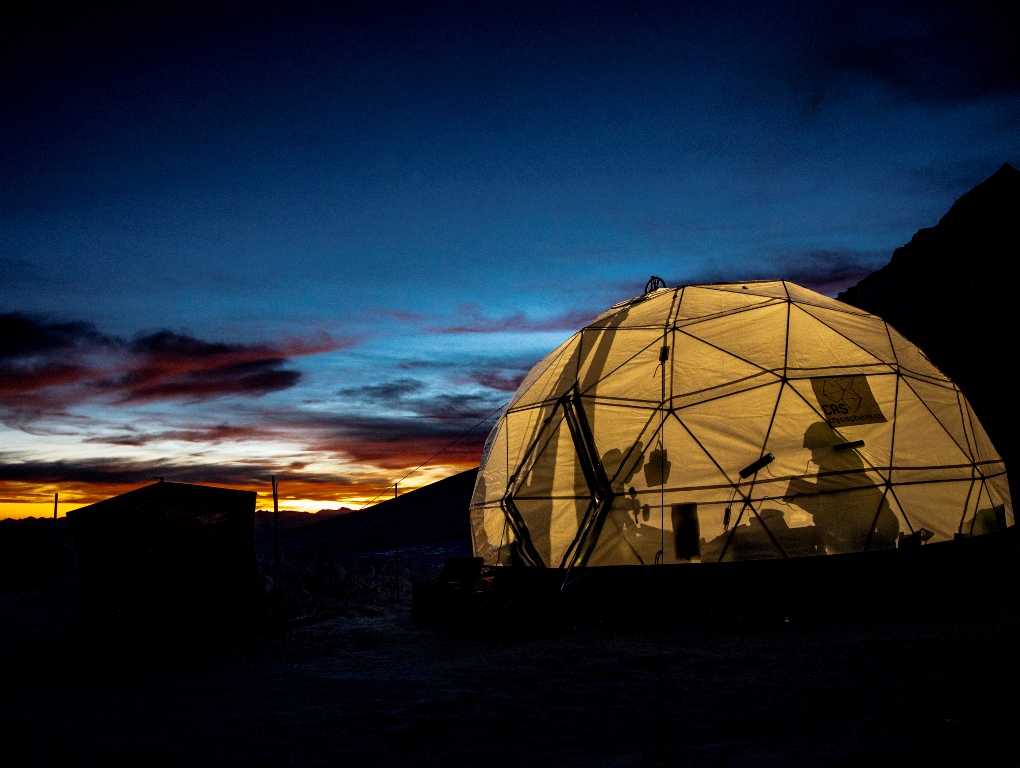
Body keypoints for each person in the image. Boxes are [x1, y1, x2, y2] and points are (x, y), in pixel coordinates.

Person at [783, 422, 898, 554]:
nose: (813, 457)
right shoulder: (841, 461)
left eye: (814, 450)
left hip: (860, 536)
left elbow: (834, 503)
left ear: (822, 446)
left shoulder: (838, 463)